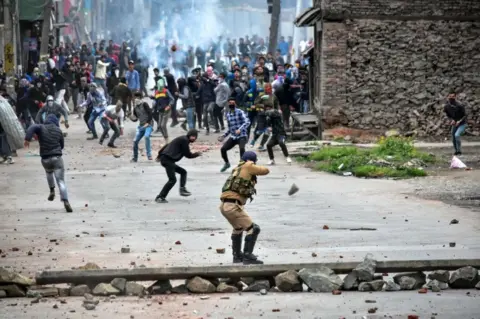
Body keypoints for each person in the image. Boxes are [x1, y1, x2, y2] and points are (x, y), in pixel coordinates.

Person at [219, 151, 269, 264]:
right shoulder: (248, 165)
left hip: (224, 206)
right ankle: (248, 256)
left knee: (238, 228)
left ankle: (237, 256)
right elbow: (265, 171)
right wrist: (253, 163)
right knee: (253, 228)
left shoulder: (237, 168)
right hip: (232, 205)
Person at [24, 114, 73, 213]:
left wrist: (27, 138)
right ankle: (66, 201)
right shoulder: (58, 130)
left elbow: (32, 127)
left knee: (49, 172)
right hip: (57, 157)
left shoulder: (41, 127)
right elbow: (62, 145)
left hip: (45, 158)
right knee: (61, 181)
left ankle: (52, 190)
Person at [155, 129, 201, 203]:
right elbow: (187, 154)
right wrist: (197, 154)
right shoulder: (184, 140)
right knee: (172, 180)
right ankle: (160, 197)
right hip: (167, 160)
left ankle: (182, 189)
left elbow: (167, 145)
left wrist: (159, 155)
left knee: (183, 172)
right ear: (189, 135)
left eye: (194, 137)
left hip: (167, 159)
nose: (193, 138)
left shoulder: (182, 139)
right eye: (192, 136)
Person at [218, 97, 250, 172]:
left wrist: (240, 129)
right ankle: (227, 163)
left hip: (242, 135)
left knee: (242, 148)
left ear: (235, 104)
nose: (231, 104)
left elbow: (247, 122)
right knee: (223, 149)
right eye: (230, 103)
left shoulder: (240, 112)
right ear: (228, 104)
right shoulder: (228, 114)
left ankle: (242, 165)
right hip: (233, 137)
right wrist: (224, 136)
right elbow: (230, 128)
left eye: (233, 103)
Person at [130, 91, 153, 162]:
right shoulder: (135, 108)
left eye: (138, 97)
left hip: (148, 125)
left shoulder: (145, 104)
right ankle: (135, 157)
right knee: (135, 141)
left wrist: (148, 123)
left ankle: (149, 155)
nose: (136, 99)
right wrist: (131, 117)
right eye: (135, 97)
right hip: (141, 126)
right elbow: (136, 119)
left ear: (141, 98)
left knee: (146, 136)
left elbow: (150, 114)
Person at [444, 91, 467, 155]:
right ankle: (456, 150)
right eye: (450, 96)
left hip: (462, 124)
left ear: (455, 97)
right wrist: (451, 120)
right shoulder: (447, 107)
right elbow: (448, 115)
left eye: (453, 96)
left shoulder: (460, 105)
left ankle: (459, 150)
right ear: (448, 97)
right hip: (454, 124)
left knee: (457, 135)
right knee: (453, 137)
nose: (451, 98)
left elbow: (465, 115)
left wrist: (459, 121)